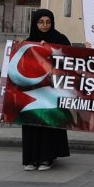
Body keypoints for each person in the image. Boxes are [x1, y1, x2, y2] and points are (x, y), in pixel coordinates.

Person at [21, 9, 71, 171]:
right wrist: (21, 47)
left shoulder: (60, 39)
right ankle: (31, 159)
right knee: (31, 123)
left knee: (48, 123)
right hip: (32, 91)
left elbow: (69, 61)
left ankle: (47, 158)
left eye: (47, 22)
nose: (44, 25)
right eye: (41, 22)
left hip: (52, 90)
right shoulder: (29, 41)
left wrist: (49, 49)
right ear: (35, 23)